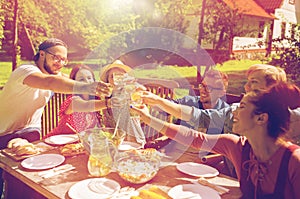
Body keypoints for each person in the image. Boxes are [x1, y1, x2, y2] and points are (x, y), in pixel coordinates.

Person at [131, 82, 300, 198]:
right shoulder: (236, 146)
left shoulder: (294, 161)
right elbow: (193, 137)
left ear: (261, 119)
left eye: (241, 107)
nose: (233, 112)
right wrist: (147, 118)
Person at [0, 38, 111, 198]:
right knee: (6, 179)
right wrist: (88, 87)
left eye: (64, 60)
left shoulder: (55, 74)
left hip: (31, 132)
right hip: (4, 132)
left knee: (26, 181)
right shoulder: (25, 71)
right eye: (56, 57)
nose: (60, 63)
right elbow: (50, 82)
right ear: (42, 54)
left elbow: (64, 79)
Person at [143, 69, 230, 163]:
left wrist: (205, 160)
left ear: (221, 93)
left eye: (208, 88)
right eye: (202, 85)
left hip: (202, 162)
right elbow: (165, 107)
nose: (203, 91)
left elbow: (228, 150)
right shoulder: (189, 102)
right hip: (174, 153)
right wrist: (146, 98)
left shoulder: (225, 114)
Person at [44, 64, 108, 138]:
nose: (87, 82)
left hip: (78, 144)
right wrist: (110, 102)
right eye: (81, 79)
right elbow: (86, 105)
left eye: (89, 78)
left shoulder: (96, 99)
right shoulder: (73, 101)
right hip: (57, 141)